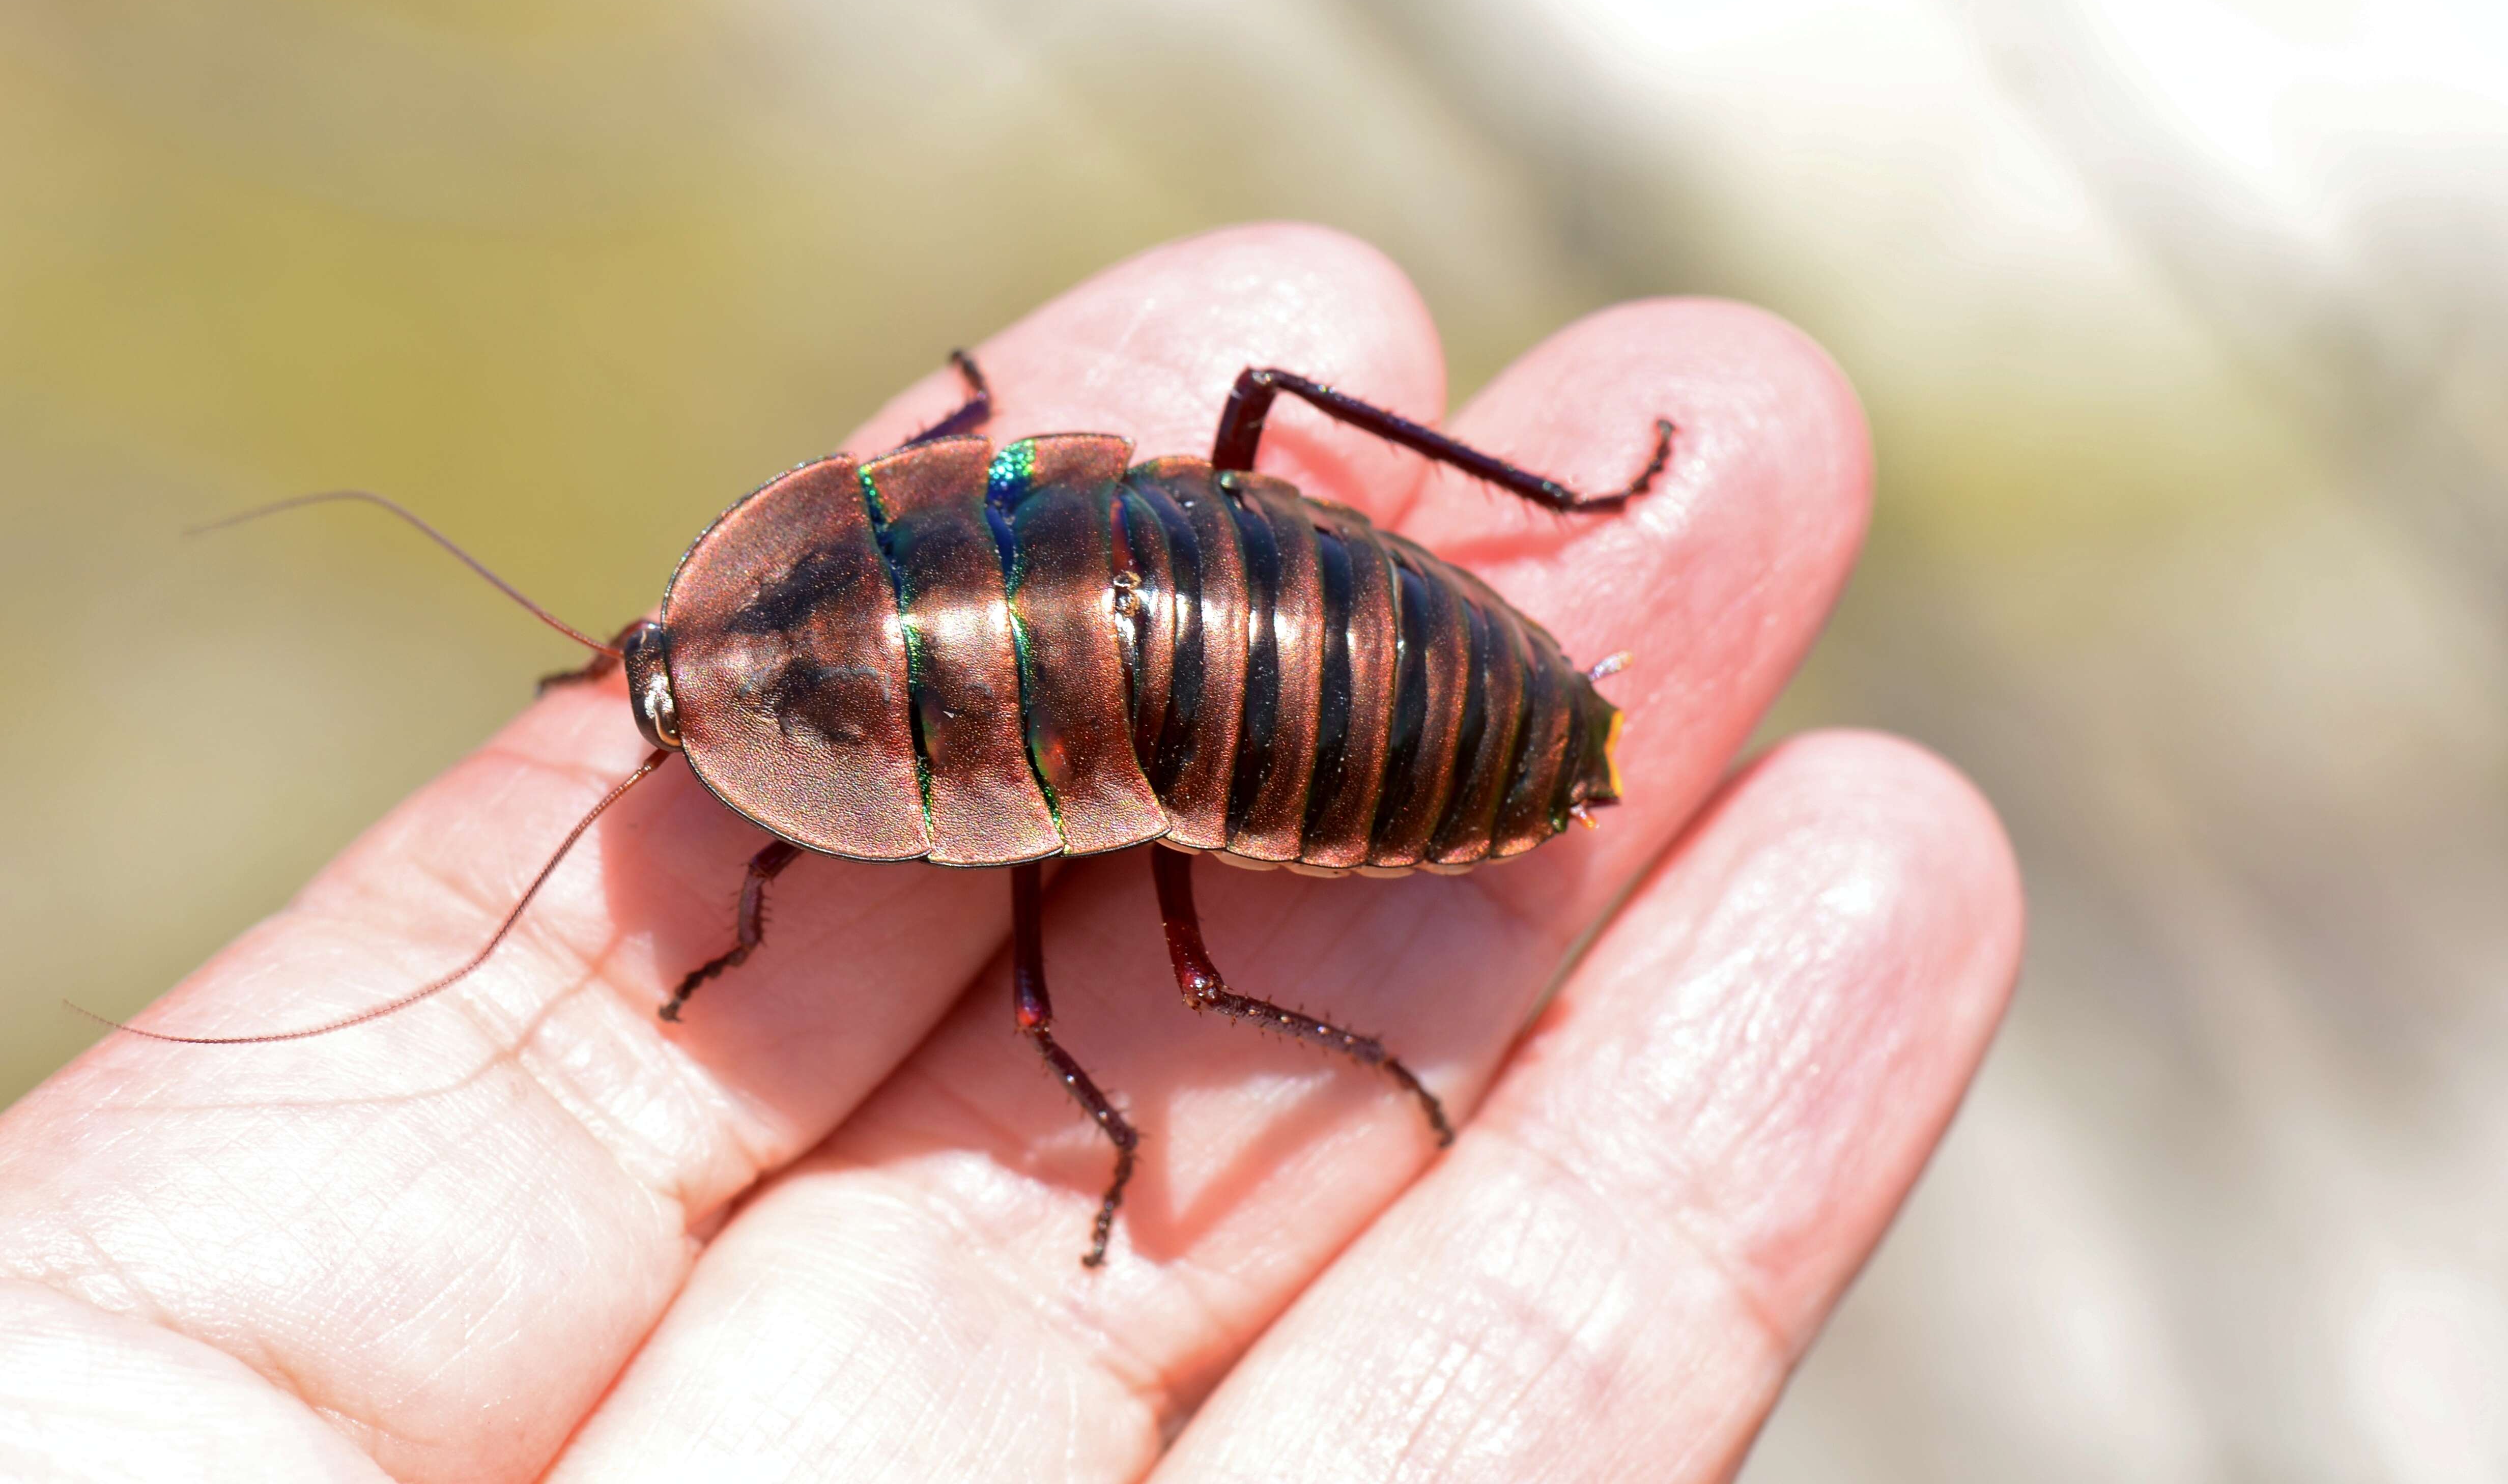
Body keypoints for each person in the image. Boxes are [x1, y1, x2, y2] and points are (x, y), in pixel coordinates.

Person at [0, 224, 2020, 1481]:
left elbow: (869, 795)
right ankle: (1557, 528)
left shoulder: (864, 783)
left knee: (1169, 965)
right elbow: (931, 500)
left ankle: (1575, 509)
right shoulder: (857, 563)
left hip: (1324, 704)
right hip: (1259, 615)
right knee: (1191, 879)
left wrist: (761, 913)